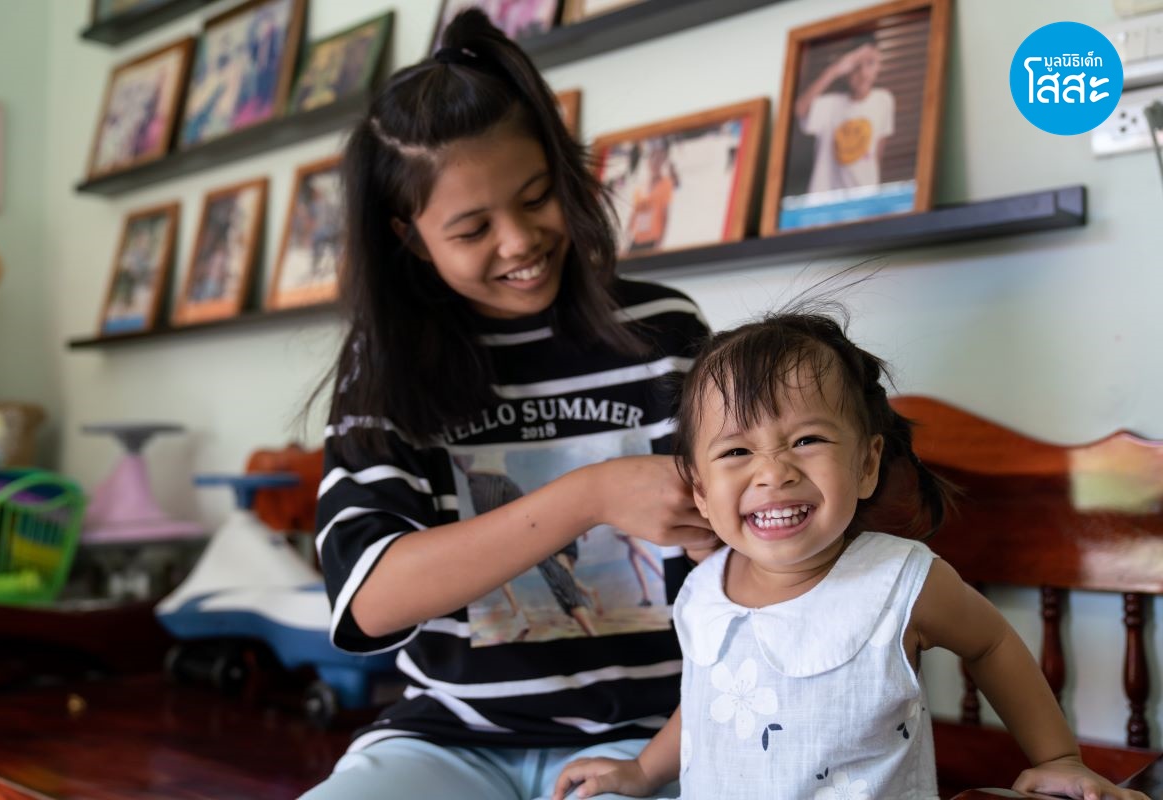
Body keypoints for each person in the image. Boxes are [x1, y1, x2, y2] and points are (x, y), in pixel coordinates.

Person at [300, 10, 717, 800]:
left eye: (536, 198)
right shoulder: (386, 368)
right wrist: (589, 495)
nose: (520, 240)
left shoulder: (663, 332)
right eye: (472, 228)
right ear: (412, 238)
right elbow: (370, 596)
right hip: (449, 741)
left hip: (654, 742)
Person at [552, 311, 1150, 800]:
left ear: (866, 464)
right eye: (736, 451)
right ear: (701, 492)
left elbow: (992, 643)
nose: (772, 472)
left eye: (806, 441)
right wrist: (645, 771)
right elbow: (706, 706)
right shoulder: (703, 590)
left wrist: (1059, 757)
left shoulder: (898, 581)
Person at [794, 34, 894, 195]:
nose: (863, 74)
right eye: (856, 66)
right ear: (846, 69)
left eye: (870, 63)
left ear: (879, 65)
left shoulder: (884, 100)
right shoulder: (830, 105)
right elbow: (800, 109)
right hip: (825, 206)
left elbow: (877, 152)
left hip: (864, 202)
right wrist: (835, 70)